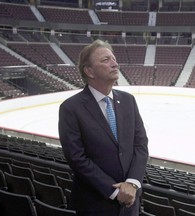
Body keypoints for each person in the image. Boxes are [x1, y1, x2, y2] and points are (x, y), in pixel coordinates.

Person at [58, 39, 149, 216]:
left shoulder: (128, 100)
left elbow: (140, 145)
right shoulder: (71, 108)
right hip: (94, 204)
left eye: (113, 59)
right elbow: (77, 158)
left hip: (130, 204)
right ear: (89, 71)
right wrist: (115, 191)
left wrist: (131, 183)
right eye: (105, 60)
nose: (115, 64)